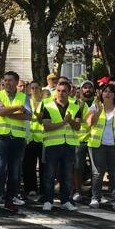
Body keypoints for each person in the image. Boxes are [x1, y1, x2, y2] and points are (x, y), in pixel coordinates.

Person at [0, 71, 31, 214]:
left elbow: (28, 115)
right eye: (5, 80)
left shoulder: (24, 96)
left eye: (10, 80)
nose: (7, 83)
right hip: (2, 137)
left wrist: (7, 111)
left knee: (14, 172)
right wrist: (18, 108)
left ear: (17, 82)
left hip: (18, 138)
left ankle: (9, 200)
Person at [38, 79, 83, 211]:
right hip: (52, 144)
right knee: (50, 174)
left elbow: (78, 126)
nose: (61, 93)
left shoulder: (75, 106)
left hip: (69, 144)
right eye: (58, 90)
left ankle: (66, 200)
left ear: (69, 92)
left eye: (64, 91)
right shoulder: (48, 106)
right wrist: (64, 122)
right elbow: (46, 126)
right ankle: (48, 200)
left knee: (67, 174)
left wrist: (70, 122)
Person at [86, 83, 115, 210]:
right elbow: (89, 123)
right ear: (101, 94)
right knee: (97, 174)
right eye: (105, 91)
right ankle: (95, 198)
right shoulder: (95, 106)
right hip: (97, 145)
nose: (108, 94)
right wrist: (98, 112)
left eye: (111, 92)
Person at [73, 80, 95, 201]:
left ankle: (94, 192)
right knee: (78, 167)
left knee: (95, 168)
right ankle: (77, 191)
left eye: (89, 87)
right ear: (81, 90)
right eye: (85, 88)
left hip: (93, 139)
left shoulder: (97, 103)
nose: (87, 90)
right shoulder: (75, 103)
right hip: (79, 139)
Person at [23, 81, 46, 201]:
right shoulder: (27, 101)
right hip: (29, 138)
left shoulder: (45, 103)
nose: (34, 90)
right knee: (28, 165)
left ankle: (43, 190)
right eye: (32, 88)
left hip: (42, 138)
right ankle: (30, 189)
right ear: (29, 90)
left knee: (43, 166)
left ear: (40, 90)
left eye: (37, 88)